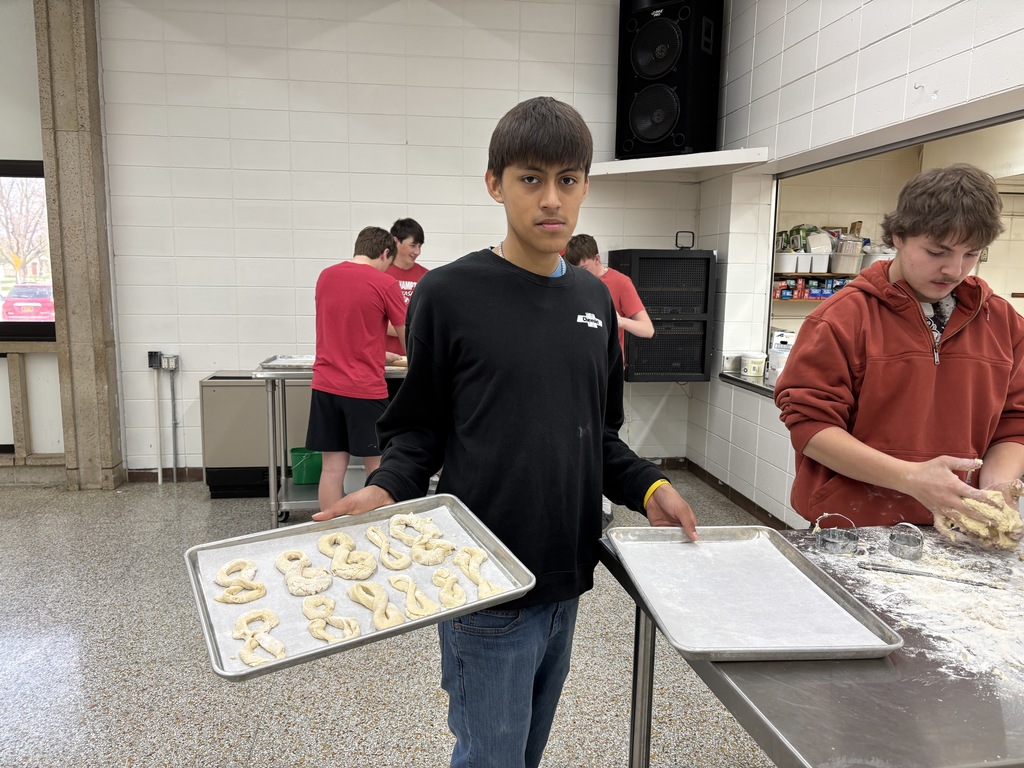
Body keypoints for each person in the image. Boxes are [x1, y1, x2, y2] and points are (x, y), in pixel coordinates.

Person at [312, 96, 699, 768]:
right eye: (530, 179)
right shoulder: (450, 295)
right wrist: (386, 488)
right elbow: (418, 429)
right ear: (495, 183)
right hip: (483, 582)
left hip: (567, 577)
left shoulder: (593, 300)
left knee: (527, 752)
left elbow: (598, 436)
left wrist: (650, 486)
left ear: (585, 186)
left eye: (567, 180)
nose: (551, 199)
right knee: (491, 757)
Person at [774, 163, 1024, 535]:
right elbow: (811, 427)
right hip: (854, 528)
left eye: (971, 254)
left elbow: (1014, 422)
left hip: (961, 526)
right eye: (937, 252)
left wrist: (996, 488)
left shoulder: (1003, 322)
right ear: (899, 236)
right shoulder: (842, 318)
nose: (954, 270)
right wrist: (910, 478)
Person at [305, 226, 407, 512]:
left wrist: (379, 354)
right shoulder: (385, 283)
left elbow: (345, 329)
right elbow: (407, 336)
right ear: (385, 253)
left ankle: (330, 530)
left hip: (325, 386)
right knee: (378, 468)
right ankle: (377, 529)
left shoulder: (326, 276)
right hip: (363, 389)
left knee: (332, 468)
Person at [564, 233, 654, 355]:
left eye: (584, 269)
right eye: (575, 270)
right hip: (580, 359)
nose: (580, 275)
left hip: (608, 361)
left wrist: (620, 321)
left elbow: (647, 330)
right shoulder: (571, 281)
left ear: (597, 259)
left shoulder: (621, 282)